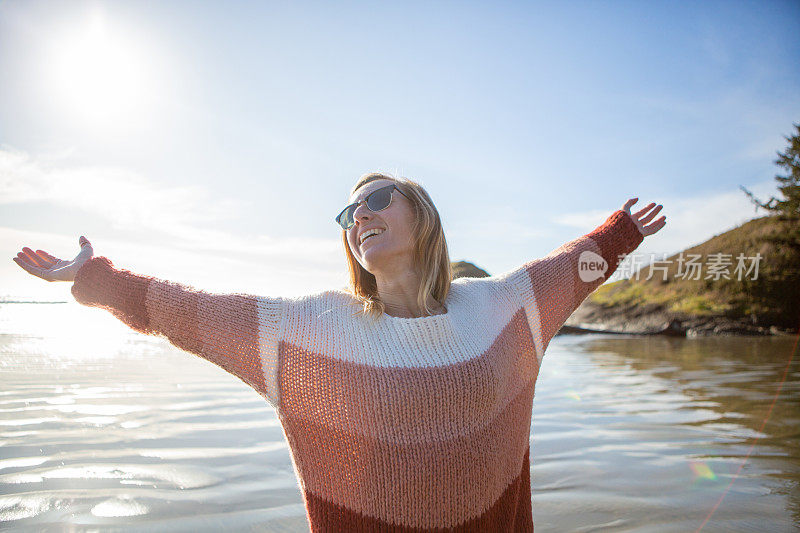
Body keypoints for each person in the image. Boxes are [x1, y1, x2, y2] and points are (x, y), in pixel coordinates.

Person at [13, 172, 666, 532]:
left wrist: (620, 233)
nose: (359, 215)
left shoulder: (499, 307)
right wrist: (92, 277)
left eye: (378, 199)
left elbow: (569, 267)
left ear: (424, 218)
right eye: (348, 212)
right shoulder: (317, 329)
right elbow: (189, 313)